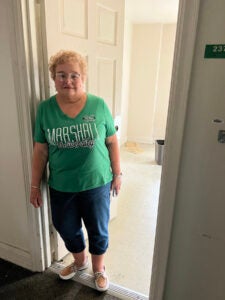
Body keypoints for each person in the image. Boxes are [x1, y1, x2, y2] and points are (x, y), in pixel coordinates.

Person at [30, 50, 122, 292]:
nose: (67, 80)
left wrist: (117, 173)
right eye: (61, 75)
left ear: (83, 77)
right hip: (61, 184)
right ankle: (80, 262)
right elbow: (40, 151)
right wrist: (33, 185)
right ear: (53, 77)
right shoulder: (45, 109)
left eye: (74, 75)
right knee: (66, 226)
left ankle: (99, 269)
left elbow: (112, 142)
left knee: (98, 228)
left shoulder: (98, 105)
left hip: (96, 182)